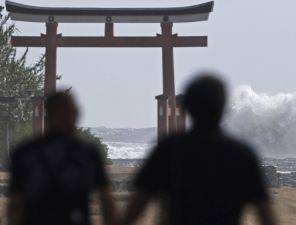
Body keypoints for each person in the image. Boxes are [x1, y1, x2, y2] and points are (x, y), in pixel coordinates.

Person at [122, 74, 277, 225]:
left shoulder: (169, 149)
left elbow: (136, 207)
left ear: (185, 108)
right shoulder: (242, 154)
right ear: (223, 108)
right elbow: (265, 214)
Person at [8, 92, 115, 225]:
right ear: (73, 114)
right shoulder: (87, 152)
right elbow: (106, 202)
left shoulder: (24, 152)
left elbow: (15, 205)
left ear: (47, 114)